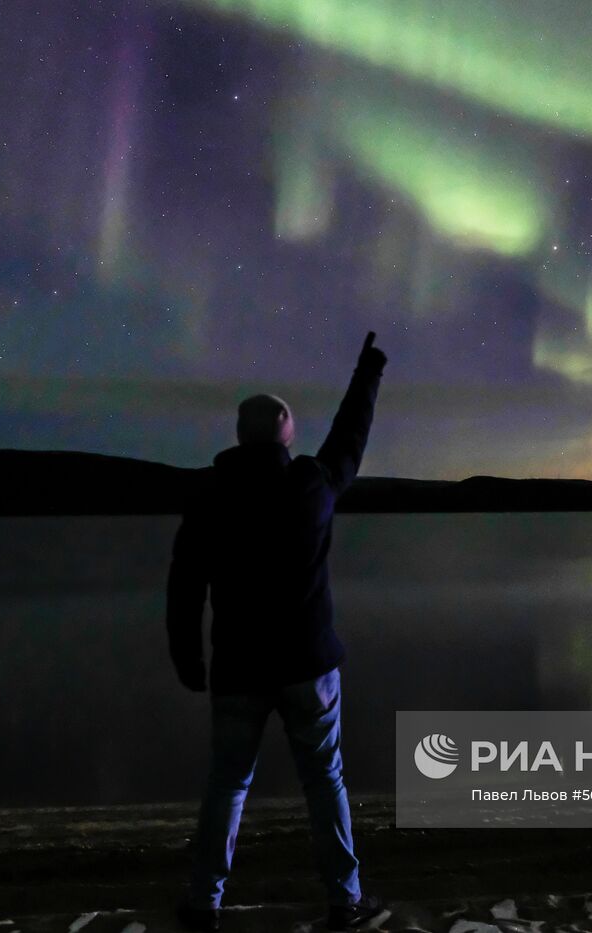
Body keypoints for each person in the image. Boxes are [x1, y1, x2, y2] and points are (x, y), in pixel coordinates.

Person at [168, 332, 388, 932]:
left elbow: (184, 586)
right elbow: (350, 438)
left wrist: (188, 659)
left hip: (238, 669)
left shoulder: (208, 498)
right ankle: (346, 901)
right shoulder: (311, 486)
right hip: (308, 668)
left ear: (241, 435)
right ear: (286, 429)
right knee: (324, 780)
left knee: (228, 784)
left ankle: (204, 903)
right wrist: (368, 369)